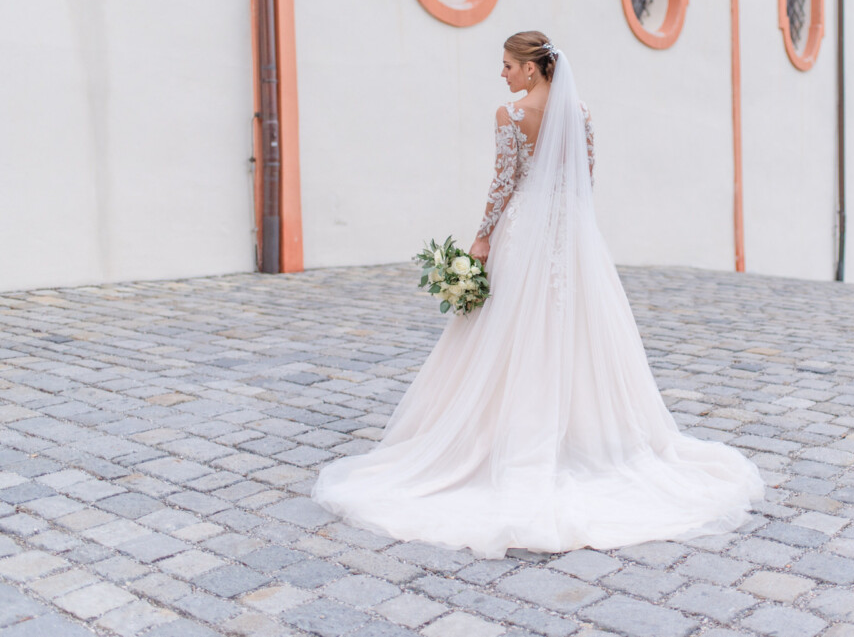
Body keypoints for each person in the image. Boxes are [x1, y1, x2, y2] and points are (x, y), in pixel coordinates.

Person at [311, 31, 764, 558]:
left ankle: (503, 436)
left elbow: (502, 183)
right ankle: (585, 434)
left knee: (511, 329)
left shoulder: (511, 116)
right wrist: (568, 226)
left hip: (525, 232)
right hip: (571, 234)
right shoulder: (582, 113)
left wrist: (481, 237)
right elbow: (585, 180)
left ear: (532, 69)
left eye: (507, 65)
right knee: (575, 329)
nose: (502, 74)